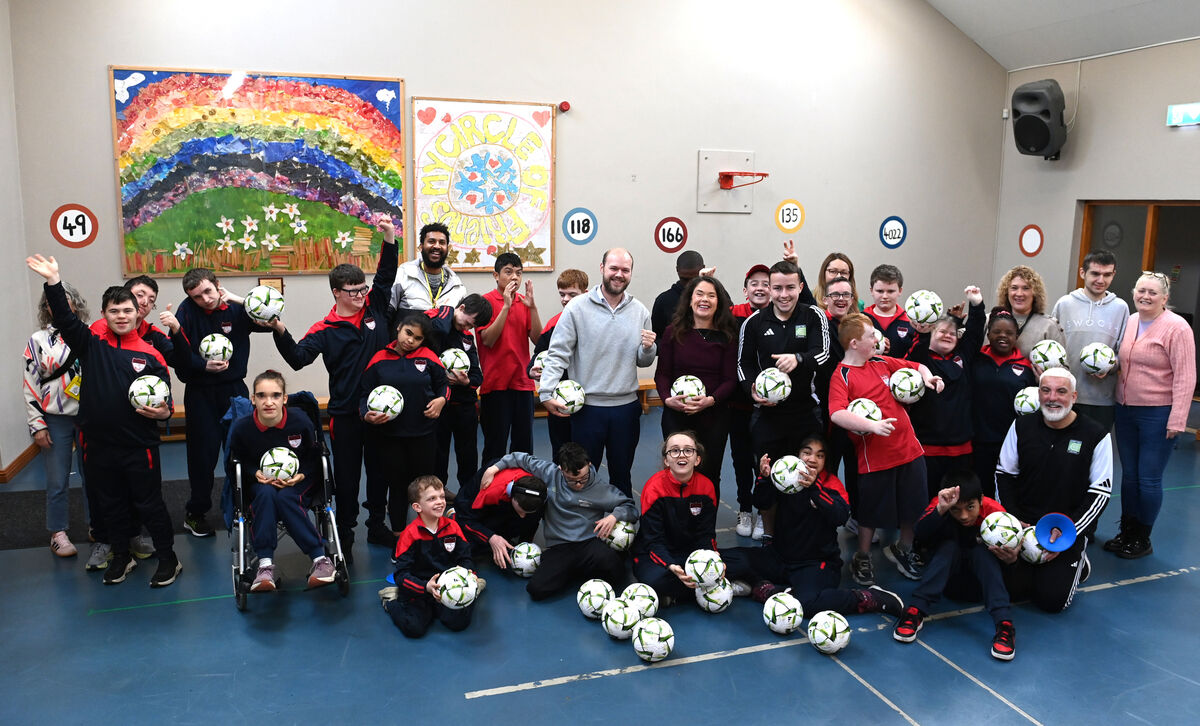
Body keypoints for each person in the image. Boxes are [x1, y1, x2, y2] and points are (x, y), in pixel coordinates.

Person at [26, 255, 181, 588]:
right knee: (109, 505)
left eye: (127, 310)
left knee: (148, 503)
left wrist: (164, 413)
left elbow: (166, 404)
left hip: (139, 446)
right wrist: (53, 280)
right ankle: (121, 558)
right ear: (104, 316)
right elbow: (66, 319)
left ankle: (169, 558)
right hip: (98, 446)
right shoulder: (91, 345)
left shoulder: (151, 355)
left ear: (137, 313)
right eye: (114, 311)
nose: (121, 316)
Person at [268, 219, 399, 558]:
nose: (360, 296)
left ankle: (377, 526)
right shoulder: (324, 329)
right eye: (352, 292)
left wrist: (389, 237)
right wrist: (278, 328)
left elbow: (385, 275)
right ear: (336, 293)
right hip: (346, 414)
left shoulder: (376, 309)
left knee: (381, 471)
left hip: (383, 413)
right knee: (347, 478)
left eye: (362, 290)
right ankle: (345, 532)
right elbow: (298, 359)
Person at [727, 435, 904, 621]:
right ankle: (766, 588)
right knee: (721, 559)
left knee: (806, 604)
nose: (812, 459)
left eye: (819, 456)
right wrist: (764, 479)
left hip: (816, 565)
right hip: (779, 558)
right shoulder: (785, 479)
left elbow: (840, 516)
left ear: (825, 461)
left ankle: (870, 597)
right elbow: (761, 502)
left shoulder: (831, 484)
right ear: (798, 455)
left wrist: (814, 490)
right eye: (807, 453)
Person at [829, 313, 944, 586]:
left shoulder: (880, 362)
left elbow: (917, 366)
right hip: (875, 457)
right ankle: (863, 555)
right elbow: (836, 413)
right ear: (855, 343)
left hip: (909, 449)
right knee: (870, 511)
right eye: (872, 336)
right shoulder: (842, 375)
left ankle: (903, 549)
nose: (877, 339)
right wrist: (871, 425)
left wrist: (929, 378)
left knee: (912, 505)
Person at [159, 268, 267, 538]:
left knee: (244, 451)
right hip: (200, 391)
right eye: (197, 296)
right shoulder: (184, 313)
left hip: (234, 389)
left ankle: (249, 507)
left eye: (208, 291)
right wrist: (203, 365)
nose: (205, 299)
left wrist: (239, 299)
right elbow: (175, 357)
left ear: (218, 285)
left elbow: (271, 317)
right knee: (202, 457)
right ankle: (196, 513)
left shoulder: (234, 308)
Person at [539, 248, 656, 496]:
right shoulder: (577, 308)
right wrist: (546, 391)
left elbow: (643, 361)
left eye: (625, 270)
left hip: (626, 408)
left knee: (621, 474)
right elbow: (558, 352)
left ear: (631, 273)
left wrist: (649, 349)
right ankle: (583, 527)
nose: (619, 274)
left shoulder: (640, 312)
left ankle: (621, 527)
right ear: (602, 268)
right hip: (587, 410)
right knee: (583, 476)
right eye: (614, 268)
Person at [996, 368, 1112, 613]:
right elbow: (1004, 475)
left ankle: (1079, 561)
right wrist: (1015, 520)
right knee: (1014, 591)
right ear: (1038, 395)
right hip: (1025, 524)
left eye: (1061, 391)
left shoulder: (1096, 434)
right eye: (1046, 390)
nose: (1052, 397)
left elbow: (1100, 494)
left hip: (1066, 529)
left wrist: (1069, 532)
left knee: (1050, 601)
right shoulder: (1021, 426)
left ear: (1074, 396)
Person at [737, 260, 831, 540]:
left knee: (806, 473)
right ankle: (769, 533)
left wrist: (799, 359)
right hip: (768, 414)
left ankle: (804, 533)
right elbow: (743, 365)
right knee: (767, 472)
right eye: (776, 288)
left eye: (790, 287)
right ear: (769, 289)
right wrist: (752, 389)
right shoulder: (754, 322)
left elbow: (824, 354)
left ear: (800, 287)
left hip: (806, 413)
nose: (783, 294)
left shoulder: (814, 316)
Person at [1108, 271, 1196, 558]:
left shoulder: (1177, 328)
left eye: (1153, 292)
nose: (1145, 296)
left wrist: (1178, 418)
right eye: (1141, 290)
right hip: (1125, 410)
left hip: (1158, 414)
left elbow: (1186, 376)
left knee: (1148, 478)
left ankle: (1142, 538)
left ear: (1165, 298)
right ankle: (1127, 532)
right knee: (1129, 477)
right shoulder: (1132, 321)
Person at [480, 443, 638, 600]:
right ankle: (571, 571)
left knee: (618, 574)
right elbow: (520, 458)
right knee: (536, 590)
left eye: (583, 478)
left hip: (589, 543)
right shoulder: (550, 472)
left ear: (589, 465)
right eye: (571, 480)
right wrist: (493, 468)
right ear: (561, 470)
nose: (578, 484)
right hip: (560, 546)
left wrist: (614, 516)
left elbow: (631, 508)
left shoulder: (601, 489)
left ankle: (573, 571)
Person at [226, 370, 336, 592]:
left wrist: (301, 475)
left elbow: (314, 456)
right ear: (253, 399)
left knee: (286, 497)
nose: (269, 402)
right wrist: (254, 472)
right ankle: (265, 566)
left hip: (300, 480)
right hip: (261, 484)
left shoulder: (299, 421)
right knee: (266, 495)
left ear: (284, 398)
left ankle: (320, 560)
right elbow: (236, 461)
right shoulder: (242, 427)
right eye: (262, 396)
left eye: (275, 395)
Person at [893, 471, 1016, 661]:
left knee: (981, 552)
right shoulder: (941, 503)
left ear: (981, 499)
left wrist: (1011, 559)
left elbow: (1010, 558)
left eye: (970, 507)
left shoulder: (997, 516)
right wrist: (941, 509)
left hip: (980, 588)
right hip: (946, 583)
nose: (964, 515)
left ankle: (1005, 626)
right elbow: (920, 533)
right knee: (949, 547)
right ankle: (915, 612)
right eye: (956, 510)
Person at [632, 432, 752, 607]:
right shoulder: (654, 488)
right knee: (653, 580)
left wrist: (713, 557)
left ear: (697, 459)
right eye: (674, 451)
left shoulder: (706, 486)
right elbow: (652, 541)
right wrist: (671, 566)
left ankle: (675, 596)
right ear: (666, 460)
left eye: (688, 450)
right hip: (657, 554)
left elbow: (706, 534)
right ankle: (716, 589)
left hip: (691, 554)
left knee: (742, 563)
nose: (681, 454)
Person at [359, 312, 449, 541]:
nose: (410, 340)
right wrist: (366, 415)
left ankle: (429, 536)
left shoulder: (429, 356)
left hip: (424, 435)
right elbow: (363, 395)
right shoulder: (379, 358)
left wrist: (441, 400)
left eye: (417, 338)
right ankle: (400, 537)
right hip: (390, 436)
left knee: (426, 487)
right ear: (399, 328)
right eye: (408, 333)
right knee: (397, 486)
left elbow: (444, 386)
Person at [654, 275, 738, 500]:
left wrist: (710, 400)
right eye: (699, 294)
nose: (705, 300)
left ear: (718, 302)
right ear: (689, 300)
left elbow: (730, 379)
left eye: (711, 295)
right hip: (676, 416)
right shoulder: (673, 332)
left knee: (709, 474)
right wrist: (666, 399)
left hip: (713, 417)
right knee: (676, 473)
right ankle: (676, 526)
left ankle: (706, 531)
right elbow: (662, 374)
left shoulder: (728, 335)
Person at [23, 283, 88, 559]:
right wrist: (36, 423)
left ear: (75, 303)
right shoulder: (37, 340)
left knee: (94, 476)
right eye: (51, 302)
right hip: (55, 417)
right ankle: (58, 533)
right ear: (45, 308)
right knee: (57, 478)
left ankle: (98, 526)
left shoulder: (89, 333)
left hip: (89, 417)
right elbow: (30, 382)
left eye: (64, 299)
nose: (58, 305)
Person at [907, 287, 986, 498]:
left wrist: (976, 304)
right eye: (941, 331)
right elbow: (918, 340)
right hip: (927, 447)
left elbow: (976, 332)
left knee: (958, 500)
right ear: (931, 333)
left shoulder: (962, 357)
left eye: (952, 333)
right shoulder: (919, 355)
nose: (947, 336)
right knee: (927, 499)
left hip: (961, 449)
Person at [378, 476, 477, 638]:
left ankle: (472, 589)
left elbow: (465, 557)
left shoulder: (453, 527)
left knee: (459, 623)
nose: (440, 502)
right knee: (414, 629)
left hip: (448, 588)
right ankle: (391, 601)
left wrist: (466, 572)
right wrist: (425, 587)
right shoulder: (409, 535)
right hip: (420, 589)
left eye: (442, 497)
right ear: (417, 507)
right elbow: (401, 575)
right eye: (432, 498)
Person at [1049, 250, 1128, 432]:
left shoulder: (1121, 308)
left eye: (1107, 274)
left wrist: (1110, 367)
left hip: (1102, 400)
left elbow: (1123, 353)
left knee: (1095, 453)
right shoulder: (1064, 304)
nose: (1101, 280)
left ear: (1113, 275)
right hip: (1065, 396)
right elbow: (1053, 347)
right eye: (1095, 273)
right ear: (1082, 273)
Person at [477, 252, 541, 462]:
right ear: (496, 275)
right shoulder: (485, 303)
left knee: (523, 446)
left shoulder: (524, 302)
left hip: (522, 383)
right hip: (495, 385)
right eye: (508, 272)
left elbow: (538, 340)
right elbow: (488, 340)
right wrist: (506, 305)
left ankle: (522, 491)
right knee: (495, 446)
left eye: (519, 273)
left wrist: (532, 307)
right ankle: (491, 492)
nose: (515, 277)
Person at [425, 294, 491, 492]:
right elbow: (439, 330)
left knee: (468, 455)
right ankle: (438, 492)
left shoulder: (467, 338)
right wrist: (450, 311)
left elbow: (478, 376)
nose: (467, 329)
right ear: (460, 308)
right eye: (467, 323)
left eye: (471, 327)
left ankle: (468, 494)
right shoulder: (436, 322)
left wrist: (466, 381)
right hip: (439, 405)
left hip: (465, 406)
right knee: (438, 453)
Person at [971, 309, 1037, 494]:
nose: (1002, 336)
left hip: (1010, 442)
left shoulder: (1026, 367)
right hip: (977, 441)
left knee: (1006, 489)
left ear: (1017, 336)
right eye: (997, 332)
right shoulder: (975, 360)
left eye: (1009, 333)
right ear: (988, 333)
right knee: (980, 490)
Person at [729, 264, 773, 538]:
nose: (760, 287)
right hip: (739, 405)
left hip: (769, 408)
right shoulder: (733, 314)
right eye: (754, 283)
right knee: (740, 459)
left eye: (765, 283)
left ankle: (762, 512)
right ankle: (745, 508)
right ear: (745, 291)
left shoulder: (779, 317)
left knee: (764, 461)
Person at [528, 269, 589, 460]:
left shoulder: (595, 323)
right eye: (562, 294)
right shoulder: (554, 324)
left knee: (585, 453)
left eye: (572, 294)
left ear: (585, 294)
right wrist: (532, 370)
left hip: (589, 401)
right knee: (561, 452)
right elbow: (538, 355)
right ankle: (560, 486)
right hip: (558, 401)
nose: (565, 299)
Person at [454, 464, 547, 569]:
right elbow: (465, 518)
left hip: (508, 505)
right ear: (511, 494)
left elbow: (532, 521)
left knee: (529, 518)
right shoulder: (489, 491)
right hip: (470, 511)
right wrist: (491, 537)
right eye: (521, 511)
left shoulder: (541, 494)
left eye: (527, 512)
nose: (522, 516)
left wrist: (524, 548)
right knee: (465, 547)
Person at [387, 221, 465, 313]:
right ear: (421, 247)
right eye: (431, 241)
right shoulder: (402, 275)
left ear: (448, 248)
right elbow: (387, 314)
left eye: (442, 242)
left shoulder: (456, 286)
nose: (437, 246)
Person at [996, 265, 1065, 358]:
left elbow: (1062, 367)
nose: (1019, 294)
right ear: (1006, 291)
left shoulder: (1049, 326)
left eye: (1026, 288)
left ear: (1035, 293)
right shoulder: (991, 321)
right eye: (1014, 288)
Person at [865, 264, 920, 359]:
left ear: (900, 291)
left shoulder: (911, 322)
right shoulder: (861, 319)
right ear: (871, 291)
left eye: (890, 291)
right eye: (880, 291)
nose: (885, 296)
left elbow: (918, 356)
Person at [651, 250, 704, 338]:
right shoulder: (664, 301)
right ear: (677, 270)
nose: (689, 285)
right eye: (685, 279)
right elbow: (657, 338)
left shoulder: (715, 298)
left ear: (703, 270)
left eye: (694, 279)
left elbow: (728, 324)